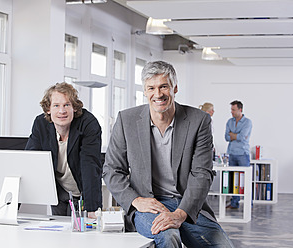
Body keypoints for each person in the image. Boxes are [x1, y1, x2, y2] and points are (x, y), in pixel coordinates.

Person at [103, 61, 234, 247]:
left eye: (164, 86)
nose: (158, 94)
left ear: (175, 88)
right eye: (151, 88)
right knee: (168, 234)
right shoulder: (127, 120)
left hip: (185, 202)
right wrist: (136, 200)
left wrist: (181, 214)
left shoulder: (198, 121)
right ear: (145, 91)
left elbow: (202, 174)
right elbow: (112, 170)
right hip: (148, 205)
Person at [25, 82, 102, 217]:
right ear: (48, 109)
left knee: (82, 230)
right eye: (56, 105)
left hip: (81, 189)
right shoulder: (40, 124)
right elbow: (29, 164)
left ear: (74, 108)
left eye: (67, 105)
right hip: (58, 190)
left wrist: (92, 208)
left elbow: (90, 165)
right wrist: (9, 205)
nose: (62, 111)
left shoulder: (88, 123)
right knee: (60, 231)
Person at [224, 100, 252, 209]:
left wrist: (233, 135)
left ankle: (249, 204)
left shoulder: (247, 122)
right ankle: (234, 203)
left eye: (233, 110)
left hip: (242, 154)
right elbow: (226, 137)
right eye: (231, 109)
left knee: (245, 180)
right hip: (232, 153)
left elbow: (243, 137)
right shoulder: (229, 122)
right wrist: (235, 135)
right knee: (233, 180)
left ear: (240, 110)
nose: (231, 112)